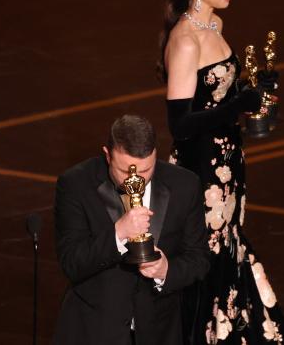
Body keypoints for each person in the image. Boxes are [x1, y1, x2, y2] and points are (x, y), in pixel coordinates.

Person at [159, 0, 284, 345]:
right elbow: (179, 125)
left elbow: (213, 94)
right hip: (202, 171)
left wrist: (255, 91)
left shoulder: (213, 25)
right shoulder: (186, 41)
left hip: (228, 165)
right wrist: (236, 105)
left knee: (227, 251)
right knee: (210, 259)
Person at [53, 115, 210, 345]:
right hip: (94, 331)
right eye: (125, 171)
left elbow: (199, 259)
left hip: (160, 332)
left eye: (146, 170)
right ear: (108, 155)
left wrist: (166, 270)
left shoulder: (184, 185)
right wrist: (118, 233)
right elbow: (72, 263)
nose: (135, 179)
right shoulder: (76, 184)